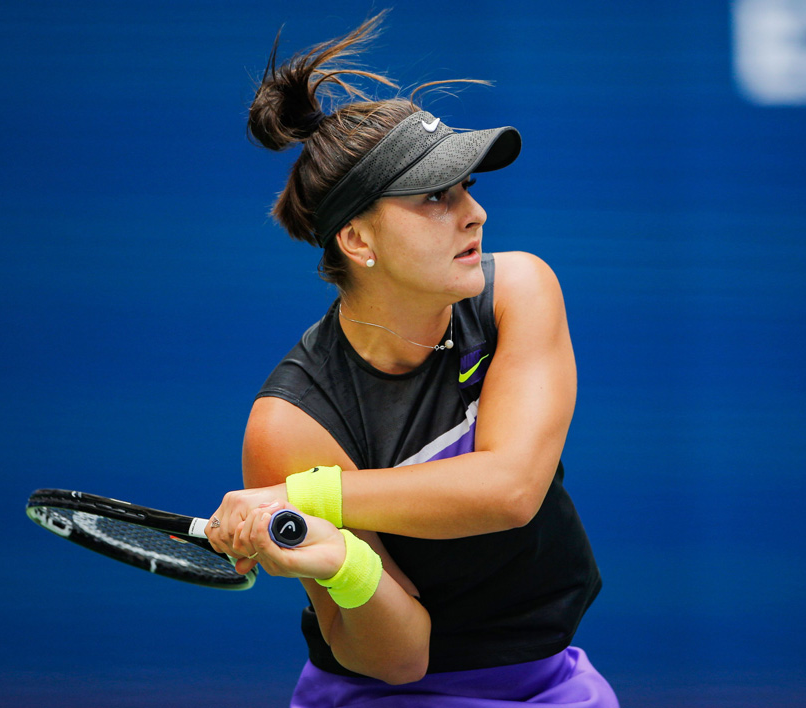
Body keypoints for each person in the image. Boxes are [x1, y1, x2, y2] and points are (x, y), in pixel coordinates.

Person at [205, 12, 618, 707]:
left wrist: (306, 495)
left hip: (553, 682)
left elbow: (512, 490)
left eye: (468, 188)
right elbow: (398, 659)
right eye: (434, 196)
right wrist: (342, 563)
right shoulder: (292, 425)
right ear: (359, 241)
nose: (473, 214)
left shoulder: (518, 290)